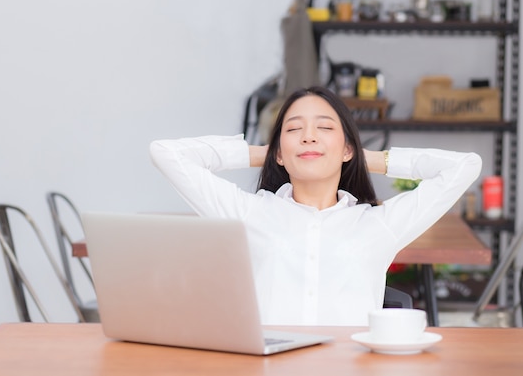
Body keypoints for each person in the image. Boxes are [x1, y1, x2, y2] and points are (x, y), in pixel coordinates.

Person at [149, 85, 482, 326]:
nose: (309, 136)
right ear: (278, 152)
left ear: (348, 148)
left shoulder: (378, 224)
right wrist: (261, 153)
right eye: (294, 129)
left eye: (324, 128)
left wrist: (369, 159)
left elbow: (464, 166)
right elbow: (166, 153)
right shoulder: (249, 213)